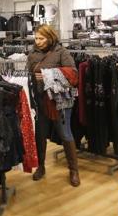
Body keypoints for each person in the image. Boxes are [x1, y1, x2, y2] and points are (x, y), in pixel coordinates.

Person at [27, 25, 81, 186]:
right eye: (36, 38)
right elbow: (29, 75)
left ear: (50, 37)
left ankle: (74, 170)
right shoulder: (33, 54)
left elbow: (73, 74)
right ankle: (41, 167)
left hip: (60, 101)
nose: (38, 42)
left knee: (65, 133)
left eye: (41, 38)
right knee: (40, 134)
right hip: (40, 100)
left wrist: (47, 76)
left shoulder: (61, 52)